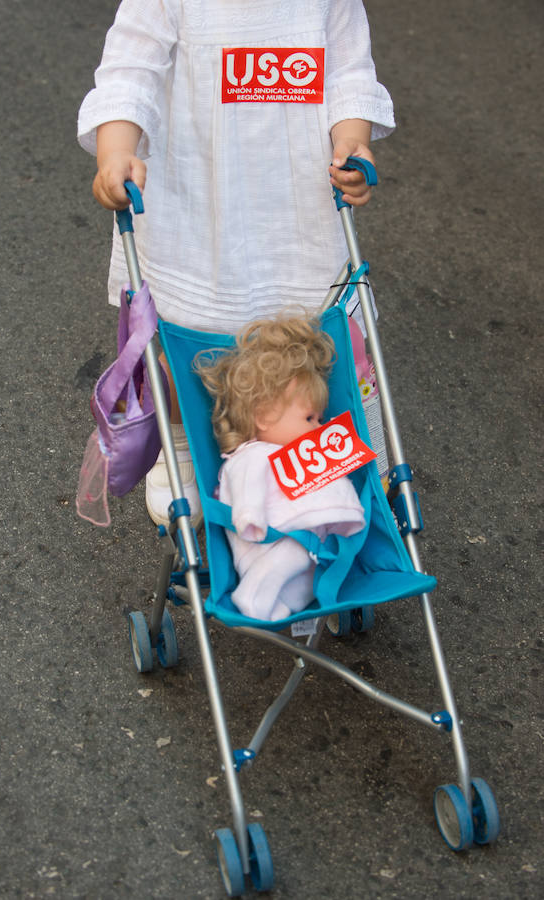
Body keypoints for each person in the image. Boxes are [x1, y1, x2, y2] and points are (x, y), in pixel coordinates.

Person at [77, 0, 394, 527]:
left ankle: (302, 457)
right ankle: (179, 442)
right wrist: (115, 151)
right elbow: (128, 71)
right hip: (193, 204)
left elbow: (349, 73)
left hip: (294, 214)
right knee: (185, 334)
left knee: (303, 343)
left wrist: (352, 141)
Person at [195, 314, 366, 622]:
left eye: (319, 418)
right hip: (268, 542)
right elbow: (248, 489)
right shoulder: (252, 455)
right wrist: (250, 517)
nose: (320, 427)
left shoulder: (300, 456)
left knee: (302, 567)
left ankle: (280, 604)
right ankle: (253, 594)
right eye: (309, 418)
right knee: (295, 556)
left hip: (311, 548)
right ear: (263, 417)